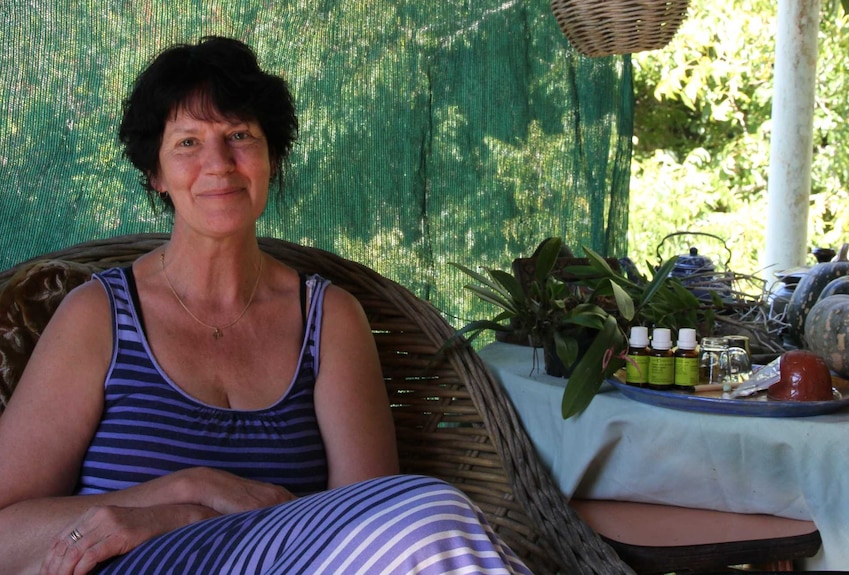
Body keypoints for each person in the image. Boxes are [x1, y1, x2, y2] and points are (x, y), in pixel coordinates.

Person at [0, 37, 533, 574]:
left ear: (271, 160)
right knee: (434, 511)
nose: (219, 164)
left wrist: (198, 519)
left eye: (239, 136)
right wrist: (184, 495)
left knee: (426, 515)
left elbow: (372, 527)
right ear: (155, 174)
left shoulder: (329, 320)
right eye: (187, 142)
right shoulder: (99, 317)